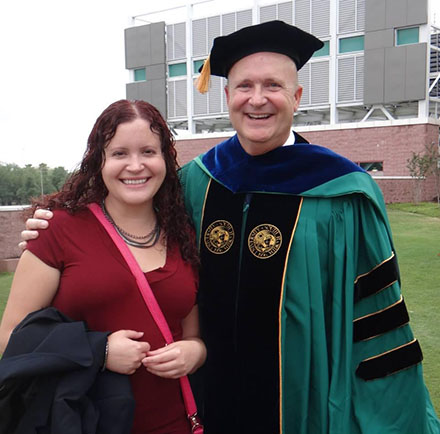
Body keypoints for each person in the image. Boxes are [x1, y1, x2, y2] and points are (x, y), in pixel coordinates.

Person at [20, 21, 440, 434]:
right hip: (199, 397)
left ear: (296, 96)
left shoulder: (343, 194)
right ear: (226, 95)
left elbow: (376, 318)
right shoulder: (200, 181)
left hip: (301, 400)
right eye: (244, 86)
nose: (257, 100)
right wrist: (52, 219)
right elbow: (123, 211)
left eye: (273, 86)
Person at [2, 99, 206, 434]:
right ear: (100, 160)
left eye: (148, 152)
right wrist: (100, 350)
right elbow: (9, 339)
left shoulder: (182, 233)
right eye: (120, 153)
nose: (136, 165)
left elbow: (192, 332)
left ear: (166, 159)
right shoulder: (58, 230)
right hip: (83, 420)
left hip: (174, 421)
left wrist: (195, 352)